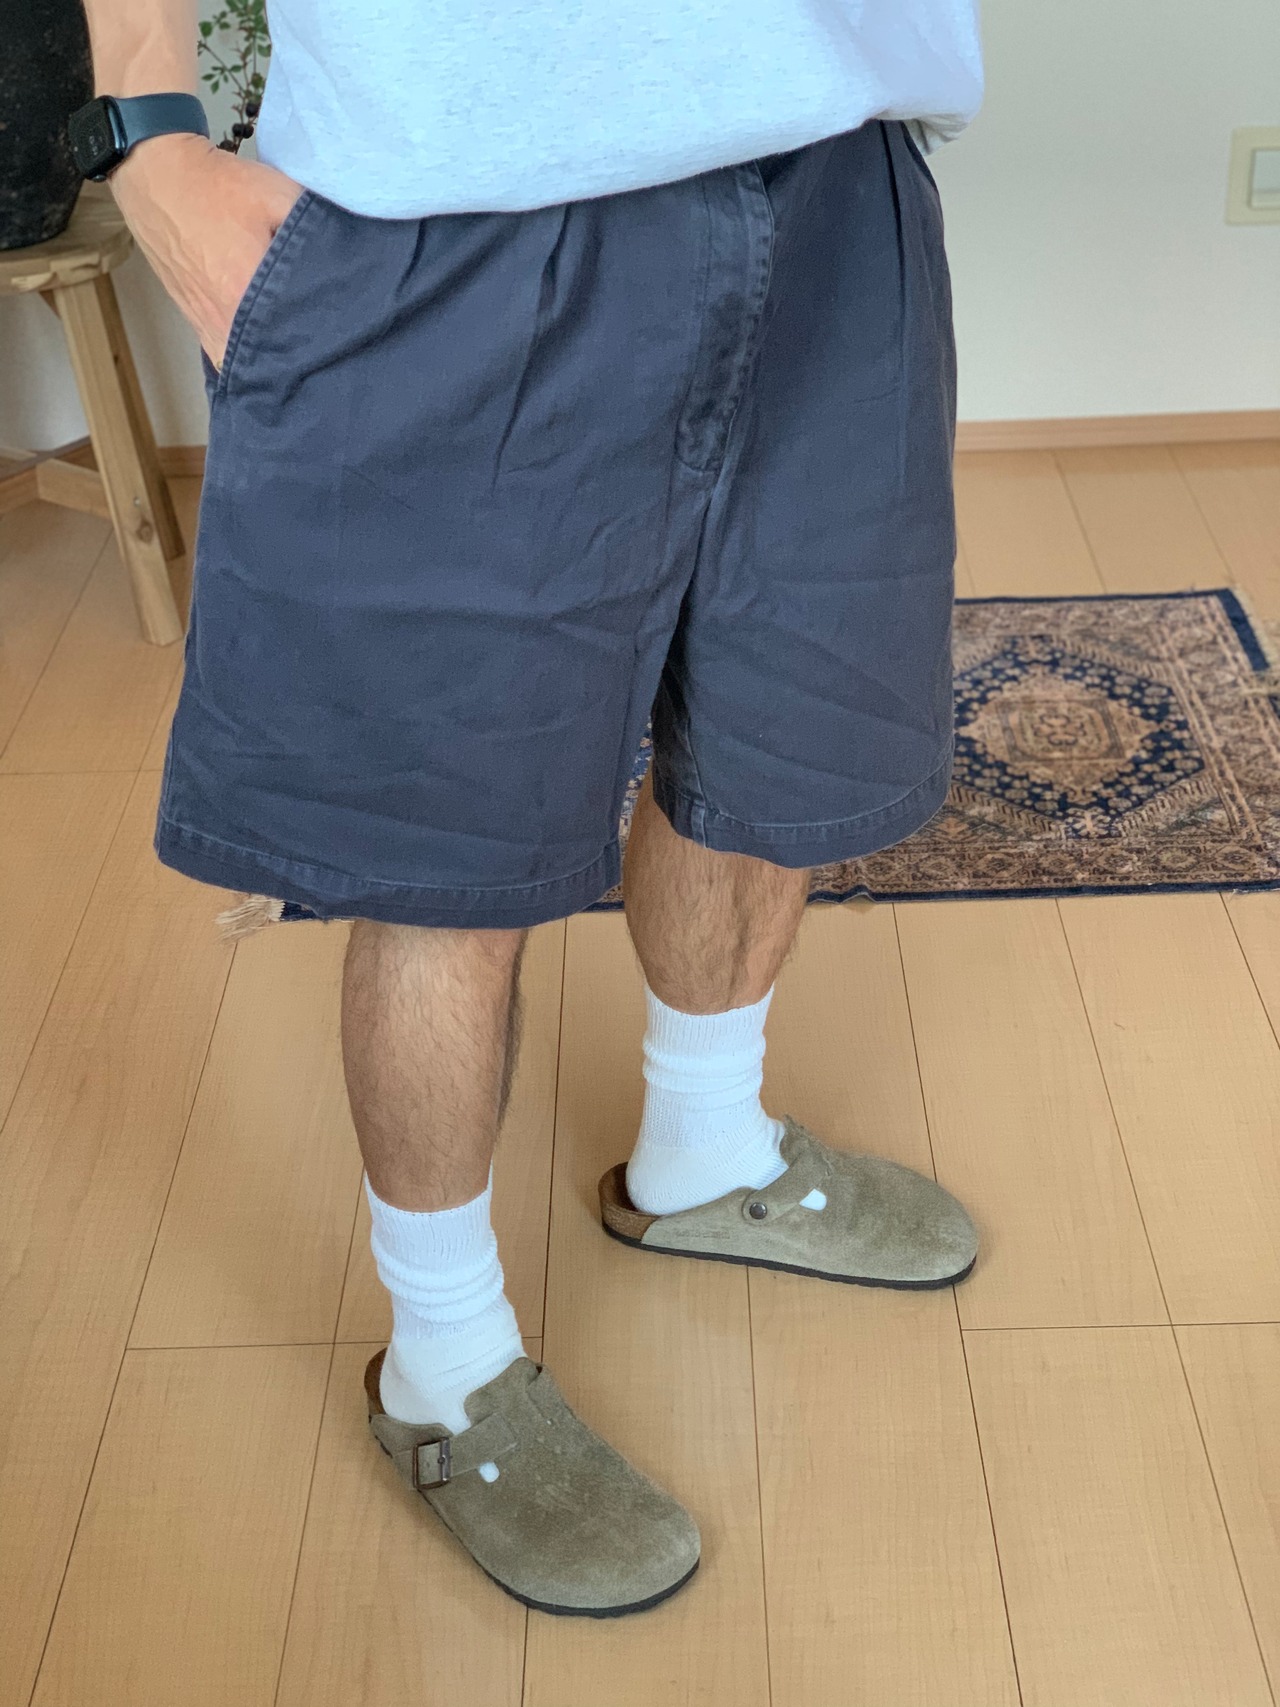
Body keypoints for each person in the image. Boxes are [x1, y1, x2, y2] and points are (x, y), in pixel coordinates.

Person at [81, 0, 984, 1618]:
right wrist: (149, 139)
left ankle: (705, 1152)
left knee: (777, 741)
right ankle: (442, 1370)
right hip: (458, 211)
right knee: (448, 854)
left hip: (833, 171)